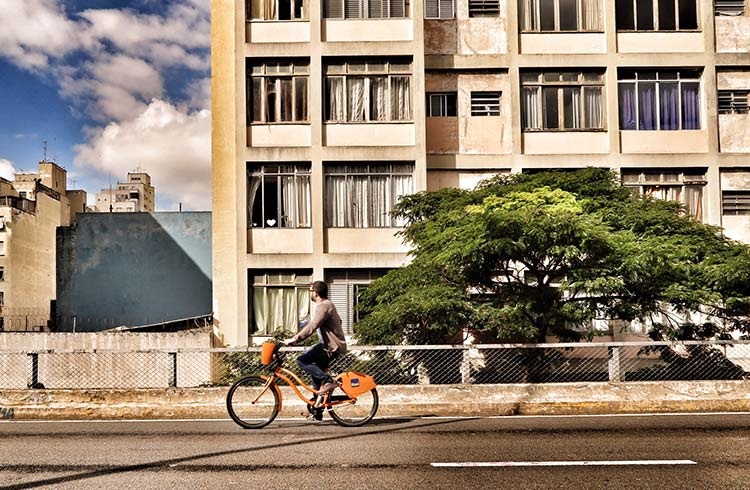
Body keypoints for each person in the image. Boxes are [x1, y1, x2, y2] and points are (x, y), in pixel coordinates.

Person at [284, 280, 347, 396]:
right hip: (330, 345)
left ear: (316, 292)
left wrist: (295, 338)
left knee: (301, 360)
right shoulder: (328, 305)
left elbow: (313, 326)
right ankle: (316, 409)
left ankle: (329, 381)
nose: (311, 293)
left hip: (330, 347)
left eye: (311, 291)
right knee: (316, 374)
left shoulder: (323, 306)